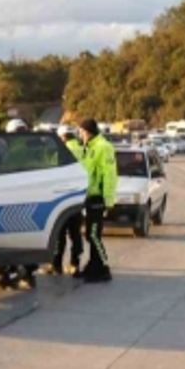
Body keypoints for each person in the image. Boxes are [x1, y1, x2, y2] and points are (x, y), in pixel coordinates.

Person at [0, 118, 38, 290]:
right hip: (27, 200)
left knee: (10, 239)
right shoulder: (36, 147)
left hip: (14, 200)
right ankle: (25, 274)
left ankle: (9, 274)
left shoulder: (6, 149)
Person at [78, 118, 117, 282]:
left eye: (81, 132)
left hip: (98, 197)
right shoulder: (89, 147)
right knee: (89, 234)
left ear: (87, 132)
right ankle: (93, 266)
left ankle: (103, 267)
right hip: (89, 197)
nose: (79, 135)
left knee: (94, 234)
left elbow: (109, 174)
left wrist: (108, 200)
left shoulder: (103, 147)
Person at [55, 124, 86, 275]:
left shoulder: (60, 150)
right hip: (78, 198)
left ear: (61, 137)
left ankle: (57, 266)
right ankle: (75, 264)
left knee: (59, 234)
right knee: (75, 234)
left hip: (61, 197)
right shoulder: (82, 149)